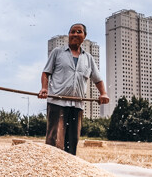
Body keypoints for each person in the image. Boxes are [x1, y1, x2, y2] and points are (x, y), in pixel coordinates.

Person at [38, 23, 110, 155]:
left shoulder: (88, 58)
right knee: (54, 140)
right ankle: (50, 168)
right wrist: (44, 88)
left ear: (84, 36)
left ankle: (67, 172)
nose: (75, 34)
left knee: (72, 142)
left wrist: (103, 93)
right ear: (68, 35)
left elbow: (97, 79)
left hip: (77, 105)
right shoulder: (57, 53)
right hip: (57, 102)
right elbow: (46, 73)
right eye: (72, 32)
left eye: (79, 31)